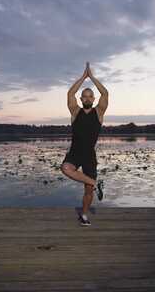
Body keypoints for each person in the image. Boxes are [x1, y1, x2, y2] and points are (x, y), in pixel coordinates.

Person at [60, 62, 108, 226]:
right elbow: (70, 93)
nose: (87, 98)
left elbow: (105, 93)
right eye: (84, 96)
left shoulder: (99, 112)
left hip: (89, 155)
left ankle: (84, 215)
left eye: (90, 96)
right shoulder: (75, 112)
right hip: (74, 153)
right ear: (81, 99)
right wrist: (83, 77)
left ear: (93, 99)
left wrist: (92, 77)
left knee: (88, 190)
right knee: (66, 168)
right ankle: (96, 183)